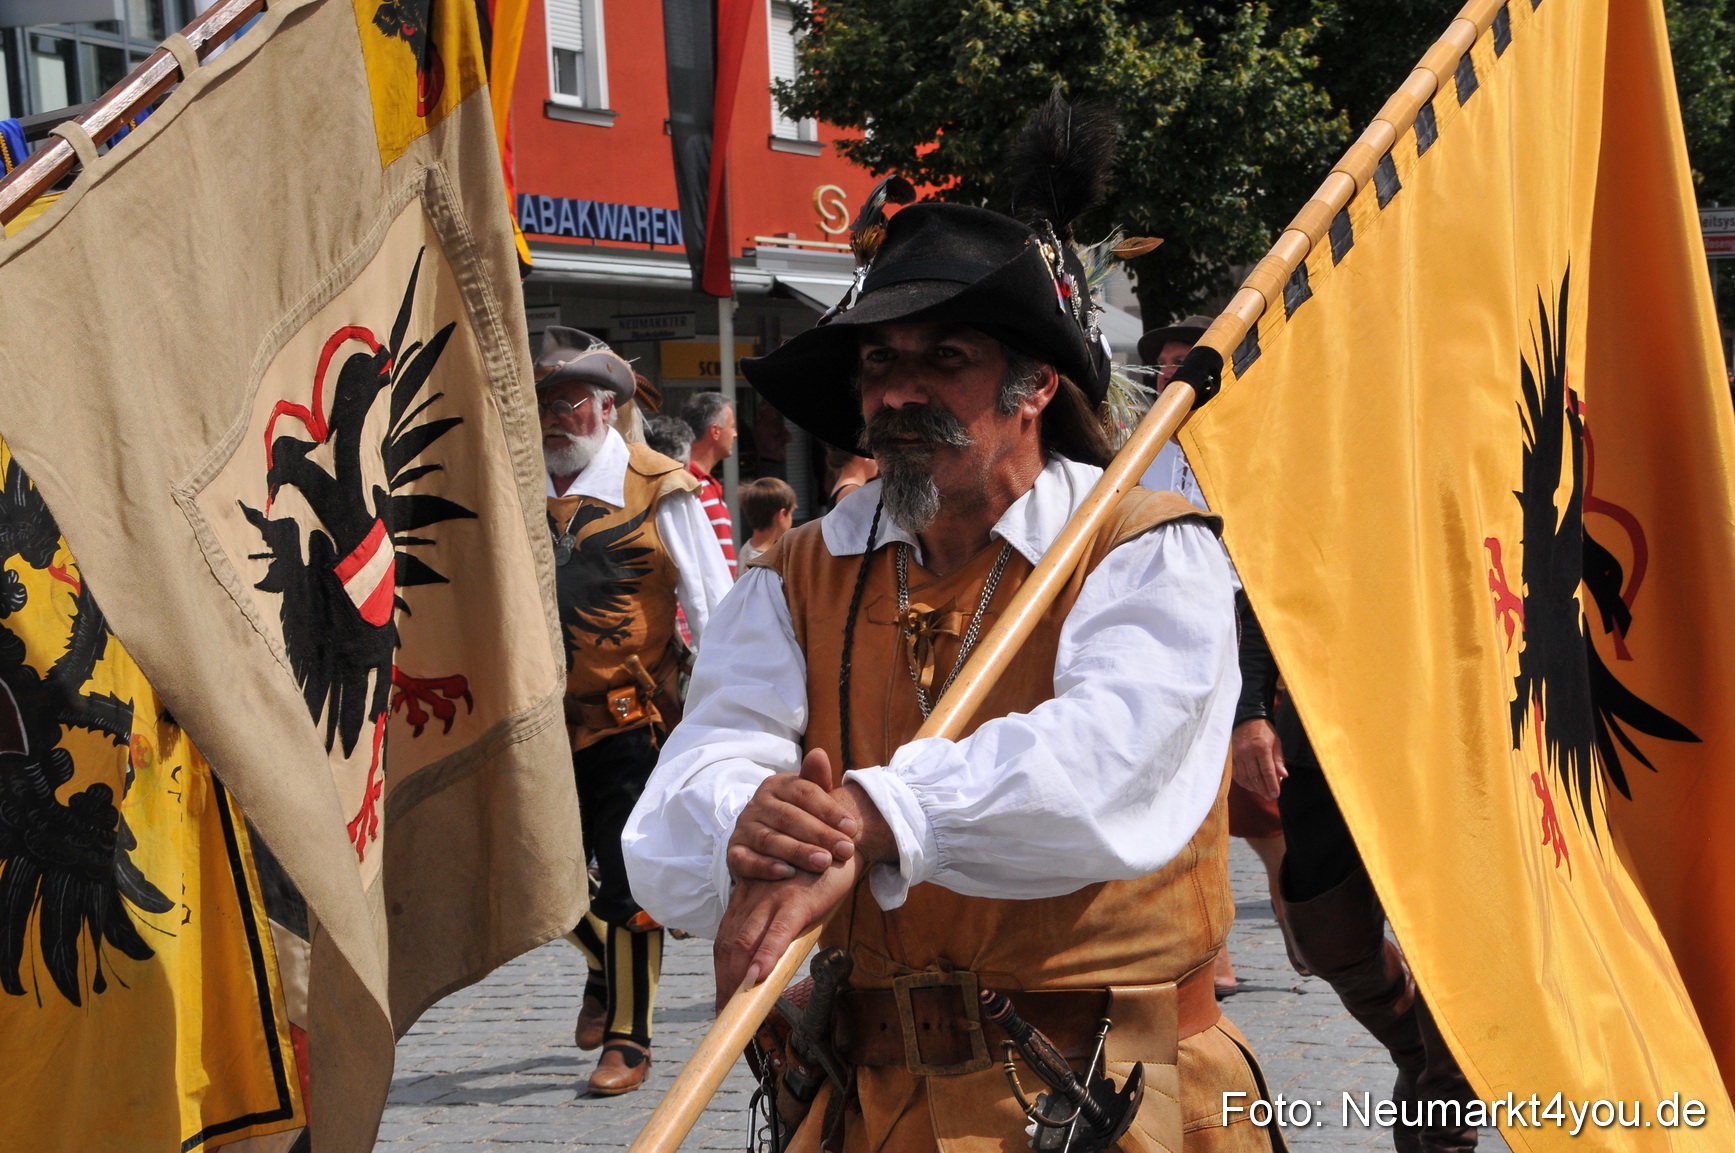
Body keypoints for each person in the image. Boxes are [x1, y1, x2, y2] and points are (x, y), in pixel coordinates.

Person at [624, 107, 1279, 1153]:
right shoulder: (798, 574)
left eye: (945, 357)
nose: (899, 389)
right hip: (873, 1105)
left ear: (1036, 387)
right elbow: (706, 759)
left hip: (1111, 1097)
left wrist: (875, 813)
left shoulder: (1141, 545)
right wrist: (750, 821)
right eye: (879, 360)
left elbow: (1106, 756)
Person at [536, 326, 732, 1096]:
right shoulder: (513, 486)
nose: (555, 418)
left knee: (624, 881)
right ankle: (603, 967)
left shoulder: (661, 484)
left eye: (569, 403)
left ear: (605, 406)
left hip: (631, 717)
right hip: (537, 723)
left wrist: (719, 723)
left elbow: (714, 608)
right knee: (534, 874)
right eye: (543, 404)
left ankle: (630, 1035)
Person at [1236, 598, 1477, 1151]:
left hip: (1459, 734)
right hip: (1326, 730)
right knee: (1327, 940)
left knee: (1456, 948)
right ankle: (1417, 1053)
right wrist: (1250, 710)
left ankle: (1446, 1127)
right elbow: (1268, 592)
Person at [1138, 314, 1294, 997]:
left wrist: (1252, 701)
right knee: (1185, 803)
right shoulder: (1138, 449)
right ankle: (1210, 958)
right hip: (1159, 634)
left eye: (1185, 364)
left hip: (1237, 632)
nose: (1169, 375)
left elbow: (1259, 573)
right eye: (1164, 365)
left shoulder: (1248, 446)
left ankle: (1303, 928)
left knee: (1265, 815)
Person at [680, 390, 738, 576]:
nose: (735, 434)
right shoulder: (685, 483)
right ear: (715, 431)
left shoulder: (701, 483)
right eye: (732, 427)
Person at [737, 477, 796, 566]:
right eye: (791, 513)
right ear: (781, 515)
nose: (791, 519)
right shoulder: (766, 563)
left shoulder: (746, 551)